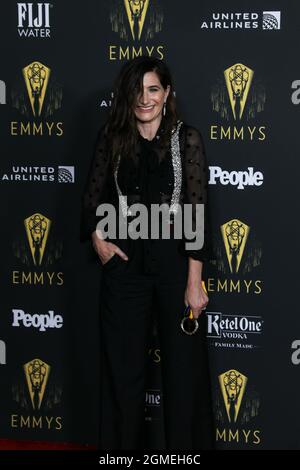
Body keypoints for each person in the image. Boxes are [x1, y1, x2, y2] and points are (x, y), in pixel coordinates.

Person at [81, 56, 214, 450]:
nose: (145, 98)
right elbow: (91, 199)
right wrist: (98, 239)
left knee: (184, 375)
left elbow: (196, 213)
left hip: (175, 268)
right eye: (138, 90)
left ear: (167, 93)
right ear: (127, 95)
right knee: (123, 375)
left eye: (153, 89)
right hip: (125, 269)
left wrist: (195, 283)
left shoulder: (186, 139)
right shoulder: (111, 137)